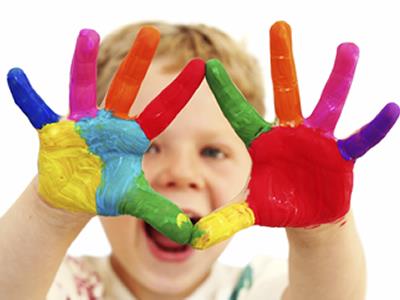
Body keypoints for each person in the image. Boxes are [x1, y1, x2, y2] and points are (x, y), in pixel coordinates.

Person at [3, 20, 395, 300]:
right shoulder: (63, 282)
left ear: (251, 173)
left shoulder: (259, 286)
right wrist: (51, 212)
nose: (182, 174)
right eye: (149, 147)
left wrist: (322, 232)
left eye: (213, 152)